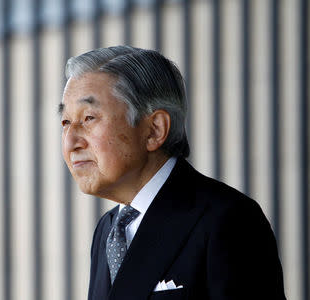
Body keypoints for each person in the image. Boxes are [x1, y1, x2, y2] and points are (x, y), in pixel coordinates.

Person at [59, 46, 285, 300]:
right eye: (66, 122)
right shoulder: (108, 230)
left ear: (154, 130)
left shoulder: (228, 219)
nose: (70, 142)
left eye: (89, 118)